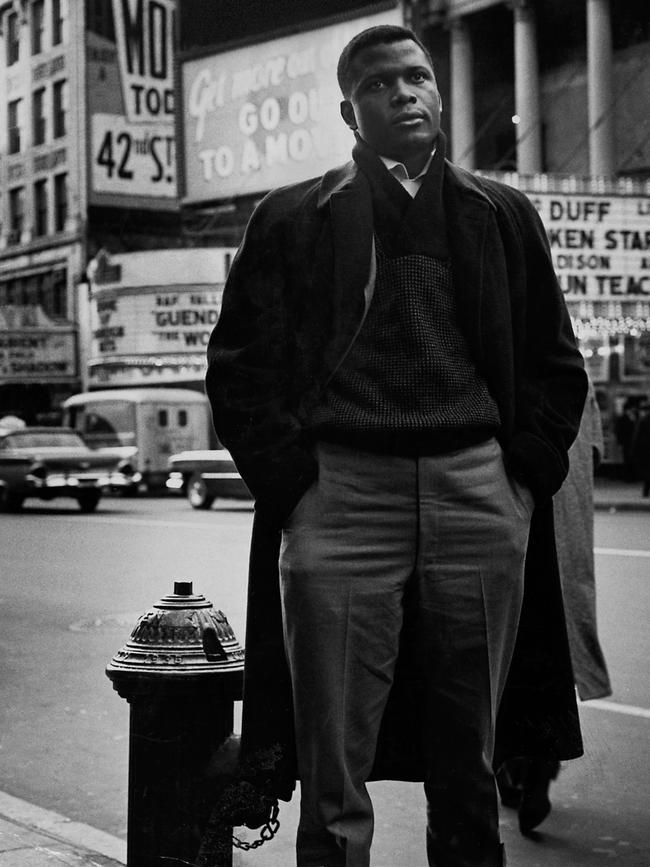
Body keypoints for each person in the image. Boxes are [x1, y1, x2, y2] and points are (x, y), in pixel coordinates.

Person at [205, 25, 587, 867]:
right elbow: (239, 368)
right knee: (332, 760)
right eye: (380, 84)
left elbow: (558, 366)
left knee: (470, 756)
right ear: (349, 110)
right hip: (340, 494)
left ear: (439, 94)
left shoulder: (501, 212)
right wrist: (293, 482)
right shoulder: (293, 216)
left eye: (417, 76)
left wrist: (521, 476)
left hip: (477, 491)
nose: (405, 92)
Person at [496, 377, 612, 834]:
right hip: (563, 519)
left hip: (514, 509)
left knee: (506, 644)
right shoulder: (571, 374)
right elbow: (596, 453)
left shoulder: (514, 360)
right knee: (552, 641)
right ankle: (537, 768)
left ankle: (511, 765)